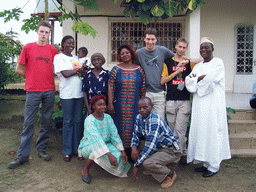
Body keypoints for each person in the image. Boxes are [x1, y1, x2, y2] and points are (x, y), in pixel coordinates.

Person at [7, 21, 59, 169]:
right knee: (28, 123)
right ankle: (22, 156)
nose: (44, 35)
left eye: (46, 32)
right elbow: (18, 69)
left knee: (46, 121)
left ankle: (41, 149)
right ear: (37, 32)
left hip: (49, 90)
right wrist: (30, 78)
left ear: (49, 34)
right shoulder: (28, 47)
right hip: (32, 91)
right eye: (41, 31)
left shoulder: (53, 50)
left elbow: (58, 68)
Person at [185, 37, 231, 177]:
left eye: (207, 47)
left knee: (213, 132)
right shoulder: (198, 66)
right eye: (202, 48)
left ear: (213, 49)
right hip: (200, 105)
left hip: (213, 105)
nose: (204, 50)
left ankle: (214, 165)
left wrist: (197, 80)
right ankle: (205, 163)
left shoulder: (218, 63)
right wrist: (198, 79)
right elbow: (189, 80)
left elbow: (211, 79)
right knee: (202, 132)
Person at [160, 38, 202, 160]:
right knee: (172, 129)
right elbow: (162, 80)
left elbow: (202, 60)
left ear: (186, 49)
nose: (181, 49)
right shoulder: (167, 62)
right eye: (180, 47)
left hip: (184, 100)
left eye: (184, 47)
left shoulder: (189, 63)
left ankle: (177, 157)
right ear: (175, 47)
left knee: (181, 129)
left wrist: (186, 60)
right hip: (171, 100)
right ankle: (171, 155)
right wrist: (176, 72)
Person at [78, 95, 131, 184]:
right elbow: (96, 140)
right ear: (93, 106)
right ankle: (85, 170)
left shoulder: (108, 117)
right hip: (89, 145)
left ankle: (102, 163)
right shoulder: (89, 120)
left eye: (104, 104)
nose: (103, 107)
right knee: (96, 152)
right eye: (100, 104)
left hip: (105, 144)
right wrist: (109, 155)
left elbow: (114, 135)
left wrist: (122, 151)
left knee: (118, 155)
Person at [131, 97, 181, 189]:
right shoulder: (139, 117)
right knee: (139, 147)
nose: (142, 110)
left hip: (170, 150)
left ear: (152, 107)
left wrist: (137, 165)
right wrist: (133, 147)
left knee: (147, 163)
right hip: (159, 147)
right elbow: (135, 135)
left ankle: (169, 174)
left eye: (145, 107)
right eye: (139, 108)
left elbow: (150, 147)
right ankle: (155, 169)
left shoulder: (155, 120)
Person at [108, 44, 146, 160]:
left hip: (135, 106)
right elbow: (110, 87)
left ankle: (133, 155)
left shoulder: (139, 69)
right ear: (119, 56)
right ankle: (121, 154)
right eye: (122, 53)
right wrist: (110, 104)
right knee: (120, 128)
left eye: (127, 52)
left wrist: (142, 107)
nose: (125, 55)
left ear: (131, 53)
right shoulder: (116, 69)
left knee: (133, 129)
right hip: (120, 106)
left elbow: (143, 88)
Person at [54, 35, 85, 162]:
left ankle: (77, 149)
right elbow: (65, 74)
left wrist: (82, 70)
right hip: (67, 94)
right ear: (63, 44)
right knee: (68, 122)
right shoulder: (58, 57)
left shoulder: (76, 58)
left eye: (73, 43)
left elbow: (79, 73)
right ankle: (67, 151)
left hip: (79, 94)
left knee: (78, 121)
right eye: (69, 43)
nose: (71, 45)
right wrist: (78, 71)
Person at [136, 28, 177, 119]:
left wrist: (195, 60)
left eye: (152, 39)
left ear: (156, 40)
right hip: (145, 92)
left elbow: (177, 58)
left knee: (160, 119)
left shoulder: (163, 50)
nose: (150, 42)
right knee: (145, 119)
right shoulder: (139, 53)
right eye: (148, 39)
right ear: (144, 39)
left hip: (160, 92)